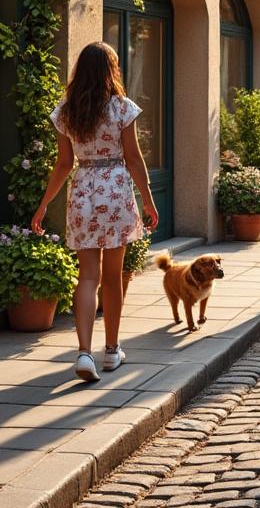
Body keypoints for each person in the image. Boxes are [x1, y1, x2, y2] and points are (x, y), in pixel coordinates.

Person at [32, 42, 159, 382]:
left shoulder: (67, 110)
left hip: (83, 190)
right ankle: (111, 349)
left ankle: (84, 353)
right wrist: (147, 198)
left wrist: (44, 205)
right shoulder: (121, 108)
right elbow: (133, 158)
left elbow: (63, 163)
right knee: (112, 277)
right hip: (116, 189)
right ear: (110, 70)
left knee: (87, 276)